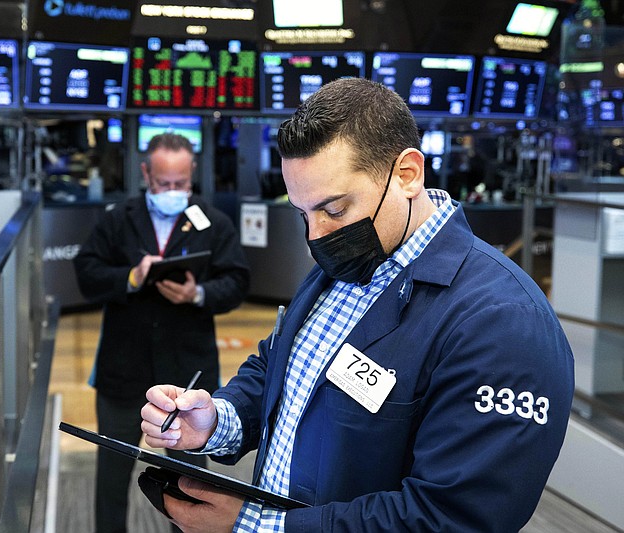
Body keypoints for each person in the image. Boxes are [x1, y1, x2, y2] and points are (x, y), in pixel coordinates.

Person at [139, 78, 574, 532]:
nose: (316, 236)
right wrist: (216, 420)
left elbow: (452, 517)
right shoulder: (351, 258)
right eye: (303, 213)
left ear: (407, 174)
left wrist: (259, 528)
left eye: (335, 208)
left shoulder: (503, 322)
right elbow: (280, 367)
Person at [74, 132, 250, 533]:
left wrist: (198, 292)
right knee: (113, 471)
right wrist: (131, 277)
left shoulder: (213, 222)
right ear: (145, 174)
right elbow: (87, 274)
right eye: (163, 183)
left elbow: (237, 281)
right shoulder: (118, 219)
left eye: (181, 184)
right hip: (123, 370)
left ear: (192, 177)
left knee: (189, 483)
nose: (173, 191)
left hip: (187, 374)